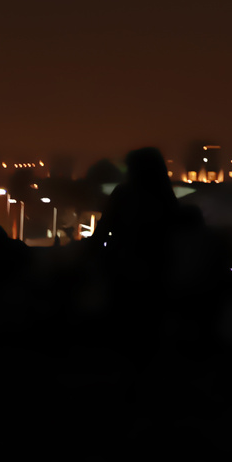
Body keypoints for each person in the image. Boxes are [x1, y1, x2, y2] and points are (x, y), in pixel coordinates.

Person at [98, 147, 179, 358]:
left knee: (122, 328)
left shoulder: (123, 195)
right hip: (156, 272)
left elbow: (102, 231)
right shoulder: (166, 199)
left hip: (123, 268)